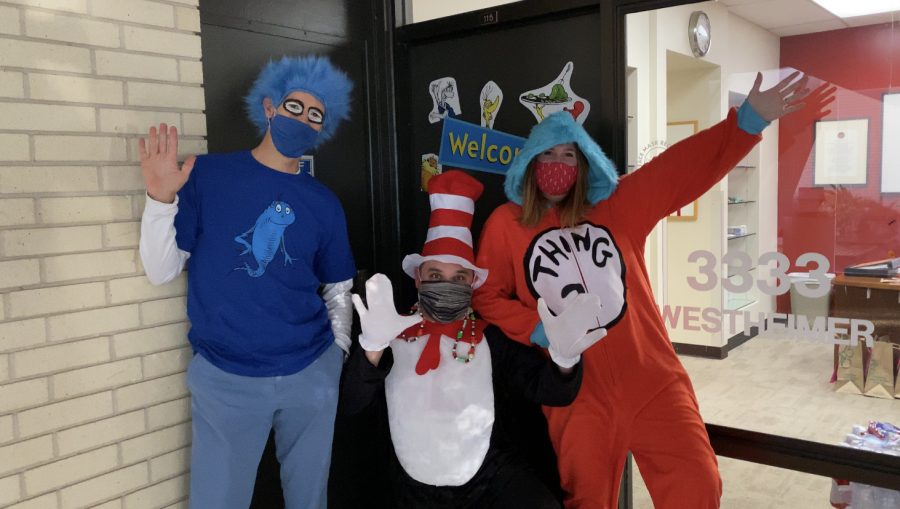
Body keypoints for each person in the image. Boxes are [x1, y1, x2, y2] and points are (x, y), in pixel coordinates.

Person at [473, 71, 833, 509]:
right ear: (529, 161)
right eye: (547, 153)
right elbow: (487, 298)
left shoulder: (618, 205)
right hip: (576, 395)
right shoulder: (505, 225)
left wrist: (747, 122)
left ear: (584, 162)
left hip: (651, 377)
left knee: (697, 485)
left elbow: (678, 170)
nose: (557, 164)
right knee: (586, 499)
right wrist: (541, 329)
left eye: (569, 154)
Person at [138, 55, 356, 509]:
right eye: (296, 108)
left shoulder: (322, 202)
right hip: (225, 377)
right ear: (270, 107)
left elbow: (338, 286)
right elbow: (161, 270)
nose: (304, 120)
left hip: (311, 370)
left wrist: (335, 354)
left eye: (316, 115)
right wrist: (160, 200)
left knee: (309, 499)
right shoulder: (209, 176)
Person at [341, 170, 602, 508]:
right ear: (418, 278)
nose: (446, 285)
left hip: (488, 476)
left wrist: (565, 359)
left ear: (471, 284)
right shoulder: (392, 333)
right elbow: (350, 406)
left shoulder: (488, 338)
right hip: (411, 487)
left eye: (458, 277)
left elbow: (549, 390)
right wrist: (372, 348)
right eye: (436, 275)